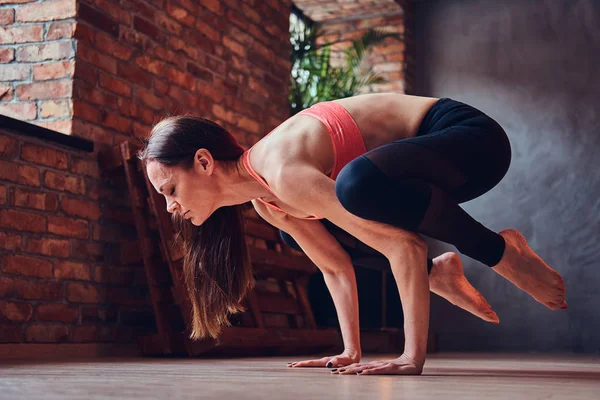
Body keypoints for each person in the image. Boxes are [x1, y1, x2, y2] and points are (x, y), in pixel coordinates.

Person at [140, 93, 567, 376]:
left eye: (170, 190)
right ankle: (437, 273)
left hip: (472, 143)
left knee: (356, 186)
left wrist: (410, 358)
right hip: (427, 180)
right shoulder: (268, 204)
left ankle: (498, 251)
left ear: (203, 161)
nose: (170, 207)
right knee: (314, 225)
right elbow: (336, 269)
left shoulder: (283, 173)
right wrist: (350, 351)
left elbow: (403, 242)